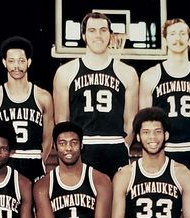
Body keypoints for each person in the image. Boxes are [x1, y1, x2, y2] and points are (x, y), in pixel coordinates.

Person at [53, 12, 139, 178]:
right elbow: (62, 120)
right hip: (82, 148)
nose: (98, 35)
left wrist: (124, 146)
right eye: (92, 30)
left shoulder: (127, 73)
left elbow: (131, 121)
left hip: (115, 146)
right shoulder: (65, 72)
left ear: (110, 35)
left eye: (103, 30)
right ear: (84, 35)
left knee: (116, 203)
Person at [139, 18, 190, 181]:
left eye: (183, 33)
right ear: (165, 40)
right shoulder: (150, 76)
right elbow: (144, 124)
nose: (178, 38)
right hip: (164, 150)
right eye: (172, 33)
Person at [0, 36, 54, 182]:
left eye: (21, 60)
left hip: (34, 160)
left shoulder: (43, 97)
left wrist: (40, 160)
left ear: (29, 62)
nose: (16, 66)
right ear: (4, 62)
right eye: (11, 61)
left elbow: (48, 137)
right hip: (6, 161)